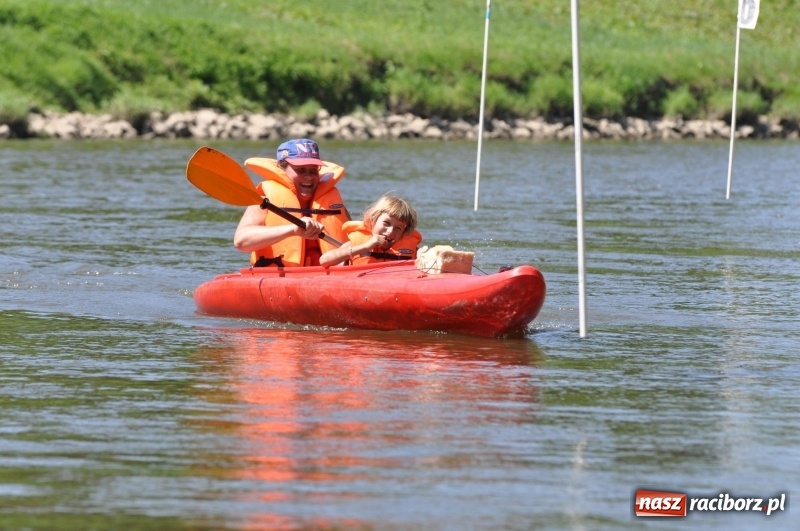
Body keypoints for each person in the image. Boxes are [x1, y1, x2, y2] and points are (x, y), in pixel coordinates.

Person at [233, 138, 350, 267]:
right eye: (300, 170)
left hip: (331, 277)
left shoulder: (331, 200)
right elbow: (241, 241)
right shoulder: (265, 199)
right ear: (282, 169)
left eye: (313, 170)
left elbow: (353, 238)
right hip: (281, 278)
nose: (309, 177)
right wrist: (293, 229)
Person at [319, 194, 422, 267]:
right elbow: (324, 261)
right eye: (386, 223)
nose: (390, 231)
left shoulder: (413, 250)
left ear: (404, 232)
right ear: (373, 220)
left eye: (398, 228)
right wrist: (365, 247)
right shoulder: (356, 244)